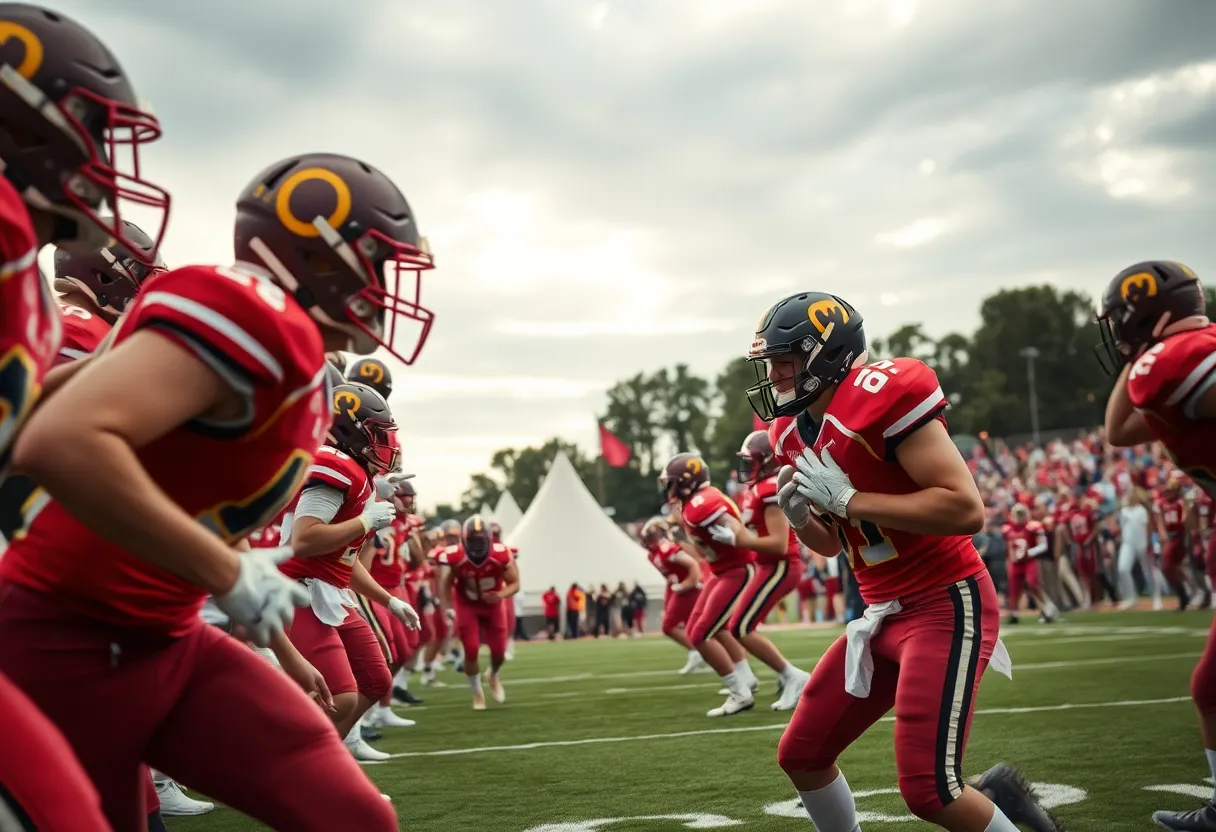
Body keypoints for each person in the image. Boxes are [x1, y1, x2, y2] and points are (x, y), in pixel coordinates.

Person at [0, 150, 435, 831]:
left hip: (165, 636)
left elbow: (40, 412)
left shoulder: (300, 362)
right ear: (320, 260)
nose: (385, 287)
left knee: (354, 816)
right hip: (65, 636)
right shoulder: (256, 312)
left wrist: (274, 640)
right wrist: (227, 571)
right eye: (375, 263)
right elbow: (59, 439)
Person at [747, 290, 1059, 831]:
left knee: (929, 790)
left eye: (786, 362)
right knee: (801, 753)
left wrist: (850, 501)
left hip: (944, 601)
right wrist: (802, 520)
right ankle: (1004, 801)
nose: (776, 377)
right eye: (770, 364)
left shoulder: (881, 394)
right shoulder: (789, 432)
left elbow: (965, 507)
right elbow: (836, 544)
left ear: (828, 355)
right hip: (880, 612)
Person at [1097, 261, 1216, 831]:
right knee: (1210, 686)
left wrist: (1146, 347)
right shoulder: (1167, 358)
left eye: (1121, 323)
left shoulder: (1181, 355)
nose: (1117, 335)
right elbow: (1119, 430)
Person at [712, 429, 812, 711]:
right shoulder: (756, 489)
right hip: (767, 566)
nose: (746, 466)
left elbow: (779, 544)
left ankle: (793, 676)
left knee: (741, 627)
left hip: (780, 565)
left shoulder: (770, 489)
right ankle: (788, 676)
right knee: (738, 626)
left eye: (751, 460)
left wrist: (737, 539)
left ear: (767, 461)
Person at [662, 452, 761, 717]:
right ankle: (745, 680)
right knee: (701, 629)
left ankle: (740, 692)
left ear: (685, 482)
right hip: (721, 571)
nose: (667, 487)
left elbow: (736, 529)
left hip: (736, 570)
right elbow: (704, 551)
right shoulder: (691, 504)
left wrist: (734, 535)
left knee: (700, 634)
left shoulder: (703, 503)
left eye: (671, 482)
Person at [438, 515, 519, 709]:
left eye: (480, 540)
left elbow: (515, 583)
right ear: (465, 540)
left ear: (489, 539)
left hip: (493, 605)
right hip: (467, 605)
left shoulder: (499, 555)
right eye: (473, 540)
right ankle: (477, 693)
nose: (476, 545)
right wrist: (448, 607)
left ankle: (493, 674)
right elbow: (446, 583)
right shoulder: (456, 556)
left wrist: (500, 595)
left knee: (499, 651)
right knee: (471, 649)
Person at [641, 516, 704, 673]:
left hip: (688, 587)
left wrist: (686, 584)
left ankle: (697, 652)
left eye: (651, 535)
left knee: (669, 627)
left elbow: (694, 566)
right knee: (692, 625)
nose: (648, 539)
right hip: (674, 586)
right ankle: (701, 651)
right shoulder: (652, 554)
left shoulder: (667, 548)